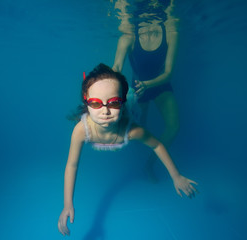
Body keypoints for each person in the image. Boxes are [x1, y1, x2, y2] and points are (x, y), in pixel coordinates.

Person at [57, 63, 197, 236]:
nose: (105, 111)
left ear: (121, 104)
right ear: (86, 102)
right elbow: (72, 165)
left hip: (129, 107)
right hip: (118, 108)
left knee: (133, 100)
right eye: (95, 103)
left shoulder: (132, 131)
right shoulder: (81, 130)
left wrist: (176, 176)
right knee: (116, 81)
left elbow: (157, 145)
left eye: (114, 103)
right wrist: (67, 204)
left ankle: (124, 91)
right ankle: (116, 76)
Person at [112, 0, 179, 179]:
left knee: (173, 126)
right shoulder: (128, 36)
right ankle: (135, 155)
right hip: (137, 88)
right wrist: (110, 87)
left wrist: (148, 84)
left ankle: (150, 164)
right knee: (142, 126)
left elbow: (169, 73)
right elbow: (116, 67)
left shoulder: (170, 32)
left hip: (159, 84)